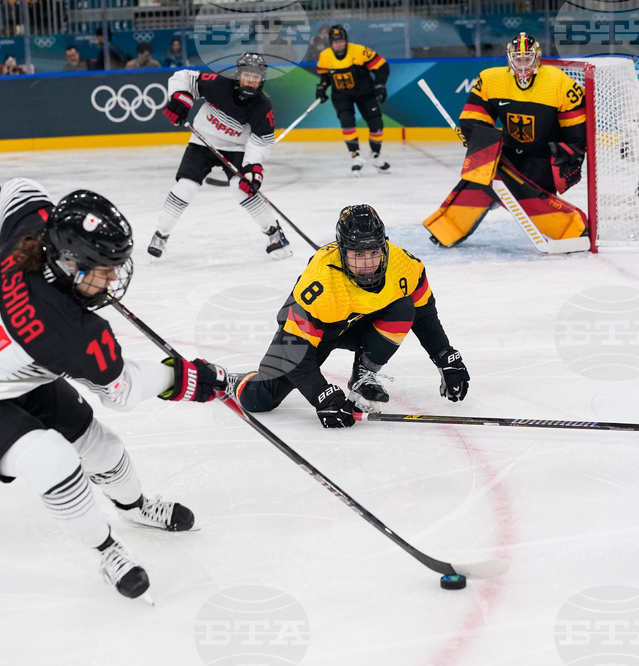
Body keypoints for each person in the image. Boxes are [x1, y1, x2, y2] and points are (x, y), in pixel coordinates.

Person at [0, 178, 228, 600]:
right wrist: (185, 378)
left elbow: (20, 189)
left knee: (102, 447)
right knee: (53, 457)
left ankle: (135, 509)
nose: (115, 276)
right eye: (104, 269)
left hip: (5, 369)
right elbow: (123, 391)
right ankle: (107, 549)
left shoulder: (35, 228)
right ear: (70, 265)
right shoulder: (71, 333)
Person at [227, 204, 469, 426]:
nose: (367, 264)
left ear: (384, 246)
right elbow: (295, 352)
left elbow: (424, 314)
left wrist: (443, 354)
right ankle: (229, 380)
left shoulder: (406, 265)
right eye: (358, 255)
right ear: (343, 253)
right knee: (259, 399)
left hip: (356, 322)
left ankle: (364, 375)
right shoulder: (320, 284)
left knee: (405, 307)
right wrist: (321, 395)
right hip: (315, 333)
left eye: (374, 252)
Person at [423, 32, 588, 247]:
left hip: (542, 154)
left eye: (526, 59)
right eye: (518, 59)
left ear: (536, 58)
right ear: (510, 59)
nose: (522, 64)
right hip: (507, 151)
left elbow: (576, 131)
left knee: (532, 198)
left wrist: (568, 157)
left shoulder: (559, 82)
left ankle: (574, 229)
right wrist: (480, 143)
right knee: (479, 179)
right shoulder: (491, 79)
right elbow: (474, 118)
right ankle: (448, 228)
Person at [149, 52, 292, 261]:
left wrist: (253, 169)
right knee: (185, 187)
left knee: (241, 189)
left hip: (236, 149)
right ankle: (160, 235)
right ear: (238, 74)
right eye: (247, 75)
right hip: (202, 142)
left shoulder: (262, 107)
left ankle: (274, 233)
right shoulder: (219, 83)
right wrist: (181, 98)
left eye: (256, 76)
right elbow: (183, 78)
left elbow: (261, 141)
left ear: (262, 78)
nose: (251, 81)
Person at [315, 25, 391, 175]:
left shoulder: (359, 51)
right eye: (335, 42)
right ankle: (355, 156)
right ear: (330, 43)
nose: (339, 44)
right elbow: (324, 74)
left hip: (366, 93)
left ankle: (375, 155)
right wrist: (322, 87)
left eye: (341, 41)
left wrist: (380, 85)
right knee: (347, 122)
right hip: (342, 95)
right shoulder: (325, 56)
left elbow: (382, 66)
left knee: (377, 124)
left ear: (346, 41)